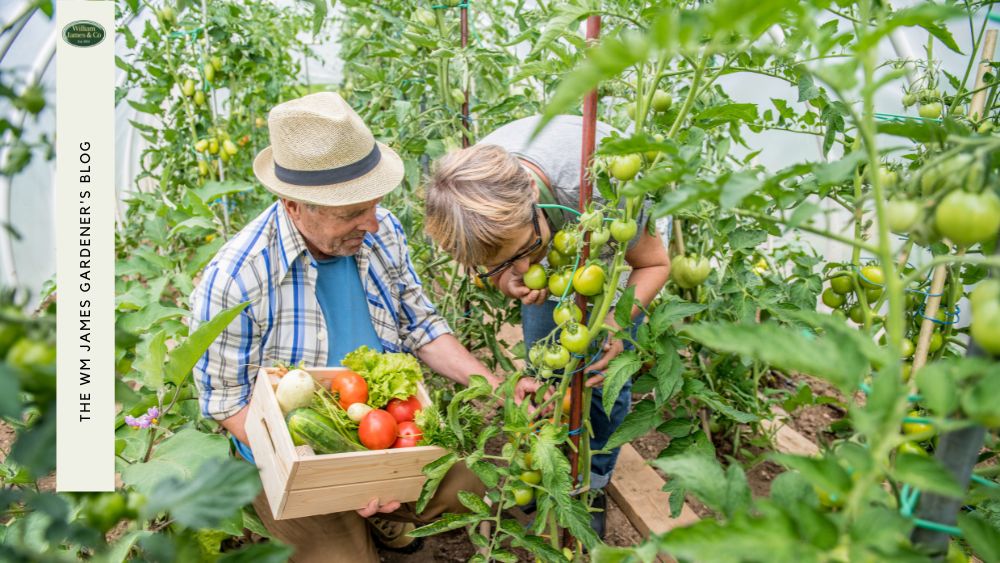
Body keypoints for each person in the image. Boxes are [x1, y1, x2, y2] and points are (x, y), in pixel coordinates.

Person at [190, 92, 539, 562]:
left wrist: (493, 384)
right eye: (351, 213)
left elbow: (421, 326)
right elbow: (227, 404)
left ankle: (386, 515)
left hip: (387, 425)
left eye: (374, 205)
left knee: (480, 483)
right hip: (298, 455)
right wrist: (336, 474)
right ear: (295, 205)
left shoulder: (382, 230)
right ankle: (352, 519)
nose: (372, 223)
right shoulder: (235, 279)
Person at [423, 114, 671, 537]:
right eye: (504, 259)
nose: (524, 268)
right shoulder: (467, 200)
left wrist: (615, 323)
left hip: (618, 247)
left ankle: (592, 481)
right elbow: (495, 263)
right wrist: (506, 277)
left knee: (604, 378)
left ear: (535, 203)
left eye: (525, 249)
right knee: (545, 369)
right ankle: (550, 465)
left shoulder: (604, 189)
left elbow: (655, 264)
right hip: (559, 239)